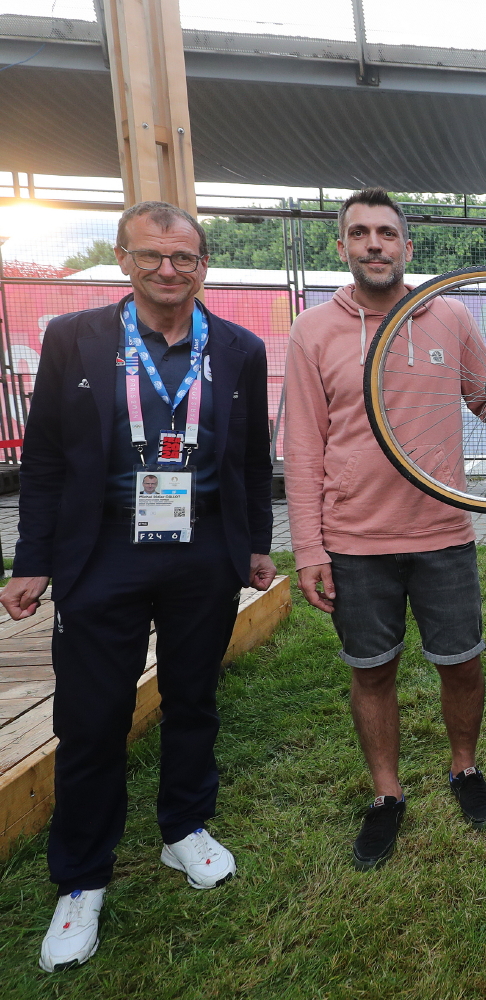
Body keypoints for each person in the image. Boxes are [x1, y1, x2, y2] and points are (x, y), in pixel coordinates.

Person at [1, 201, 276, 972]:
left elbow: (254, 458)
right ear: (124, 259)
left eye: (184, 257)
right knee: (91, 718)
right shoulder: (74, 339)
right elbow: (46, 458)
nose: (168, 269)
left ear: (203, 266)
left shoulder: (240, 349)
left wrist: (255, 546)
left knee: (193, 699)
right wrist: (31, 560)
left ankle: (184, 829)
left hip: (202, 555)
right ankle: (82, 878)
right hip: (103, 556)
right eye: (152, 255)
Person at [283, 188, 486, 871]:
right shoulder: (313, 330)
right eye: (359, 233)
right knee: (371, 673)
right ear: (342, 246)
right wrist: (309, 548)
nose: (373, 243)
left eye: (386, 232)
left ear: (408, 247)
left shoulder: (451, 315)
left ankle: (464, 770)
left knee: (461, 662)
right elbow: (302, 446)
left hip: (443, 531)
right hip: (355, 541)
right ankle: (387, 794)